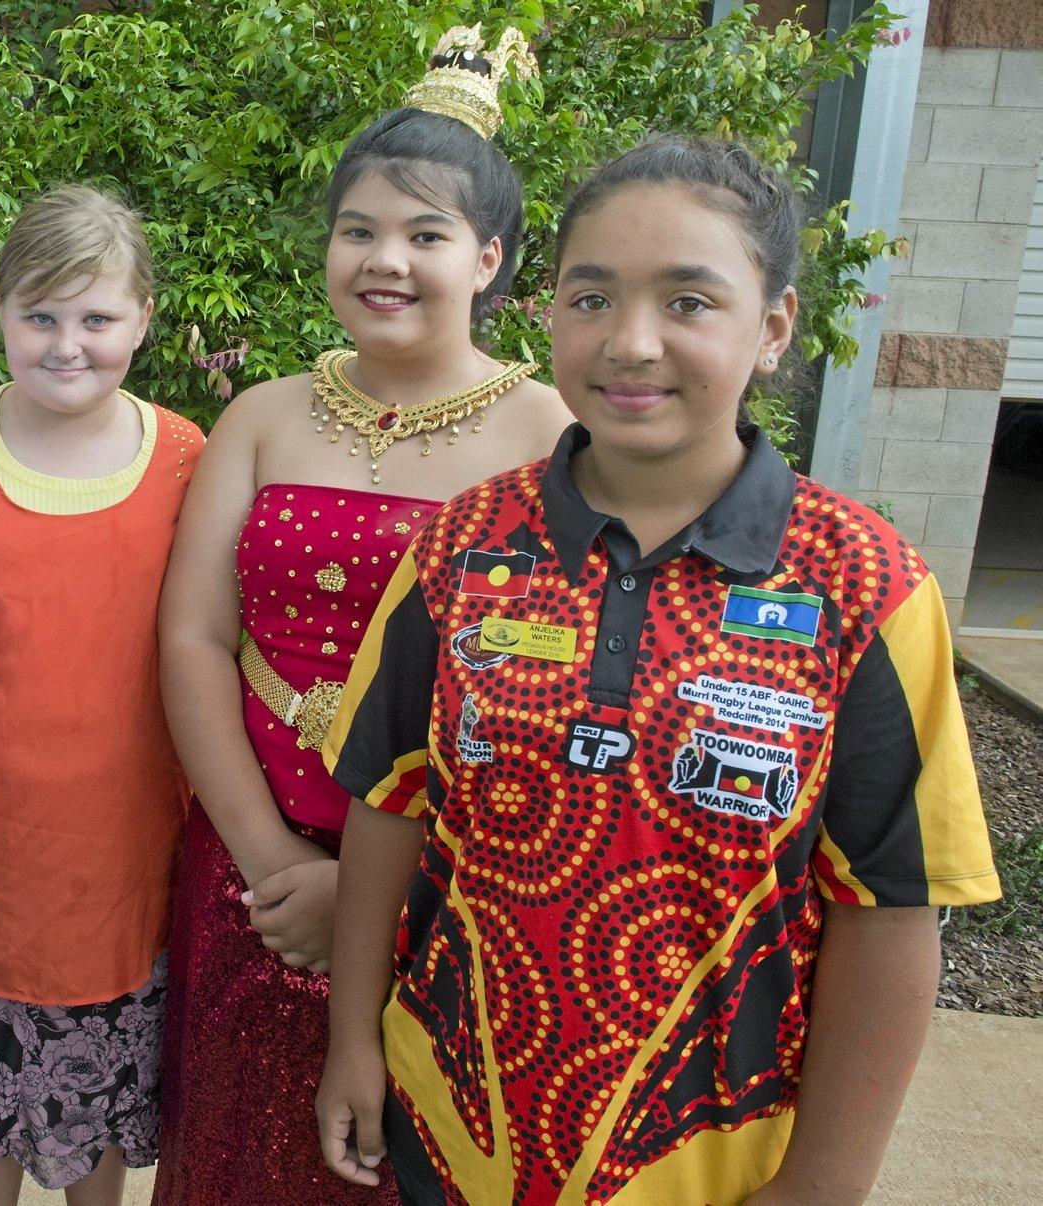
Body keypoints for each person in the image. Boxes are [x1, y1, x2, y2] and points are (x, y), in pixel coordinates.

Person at [315, 134, 1003, 1205]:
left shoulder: (861, 586)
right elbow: (386, 803)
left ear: (771, 327)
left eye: (686, 302)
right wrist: (350, 1039)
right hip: (448, 1127)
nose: (628, 343)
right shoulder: (460, 549)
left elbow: (890, 906)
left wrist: (824, 1182)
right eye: (589, 298)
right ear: (546, 311)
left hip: (709, 1165)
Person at [153, 27, 563, 1204]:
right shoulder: (263, 417)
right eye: (359, 231)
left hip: (452, 889)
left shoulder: (545, 441)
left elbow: (547, 704)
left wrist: (377, 891)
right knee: (231, 1157)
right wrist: (268, 855)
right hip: (248, 871)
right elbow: (192, 637)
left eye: (425, 235)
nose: (386, 260)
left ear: (487, 257)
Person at [0, 186, 202, 1205]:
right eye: (39, 316)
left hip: (116, 870)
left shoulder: (186, 462)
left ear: (142, 319)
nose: (65, 344)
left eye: (95, 318)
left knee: (97, 1133)